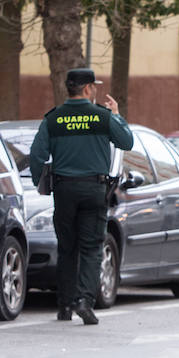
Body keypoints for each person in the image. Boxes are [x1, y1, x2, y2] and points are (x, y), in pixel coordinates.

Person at [29, 68, 134, 325]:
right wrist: (118, 116)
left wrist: (40, 185)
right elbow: (127, 142)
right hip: (94, 190)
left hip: (64, 190)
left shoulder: (52, 119)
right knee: (91, 247)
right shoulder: (102, 116)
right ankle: (84, 301)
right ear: (87, 89)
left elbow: (36, 155)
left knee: (67, 248)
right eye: (94, 86)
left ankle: (64, 305)